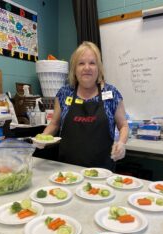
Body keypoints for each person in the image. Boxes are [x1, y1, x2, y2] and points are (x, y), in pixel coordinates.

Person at [42, 41, 129, 171]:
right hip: (67, 172)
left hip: (102, 172)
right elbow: (54, 124)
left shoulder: (111, 94)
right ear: (74, 69)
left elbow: (123, 125)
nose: (87, 68)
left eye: (92, 63)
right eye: (81, 63)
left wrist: (121, 143)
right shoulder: (64, 94)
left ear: (98, 68)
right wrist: (42, 138)